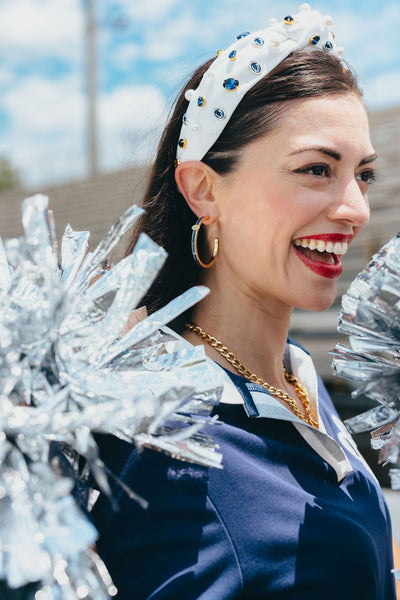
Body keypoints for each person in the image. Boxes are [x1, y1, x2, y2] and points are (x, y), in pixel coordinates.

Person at [92, 5, 399, 598]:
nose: (354, 208)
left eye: (364, 175)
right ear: (204, 189)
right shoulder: (166, 438)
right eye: (316, 169)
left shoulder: (296, 381)